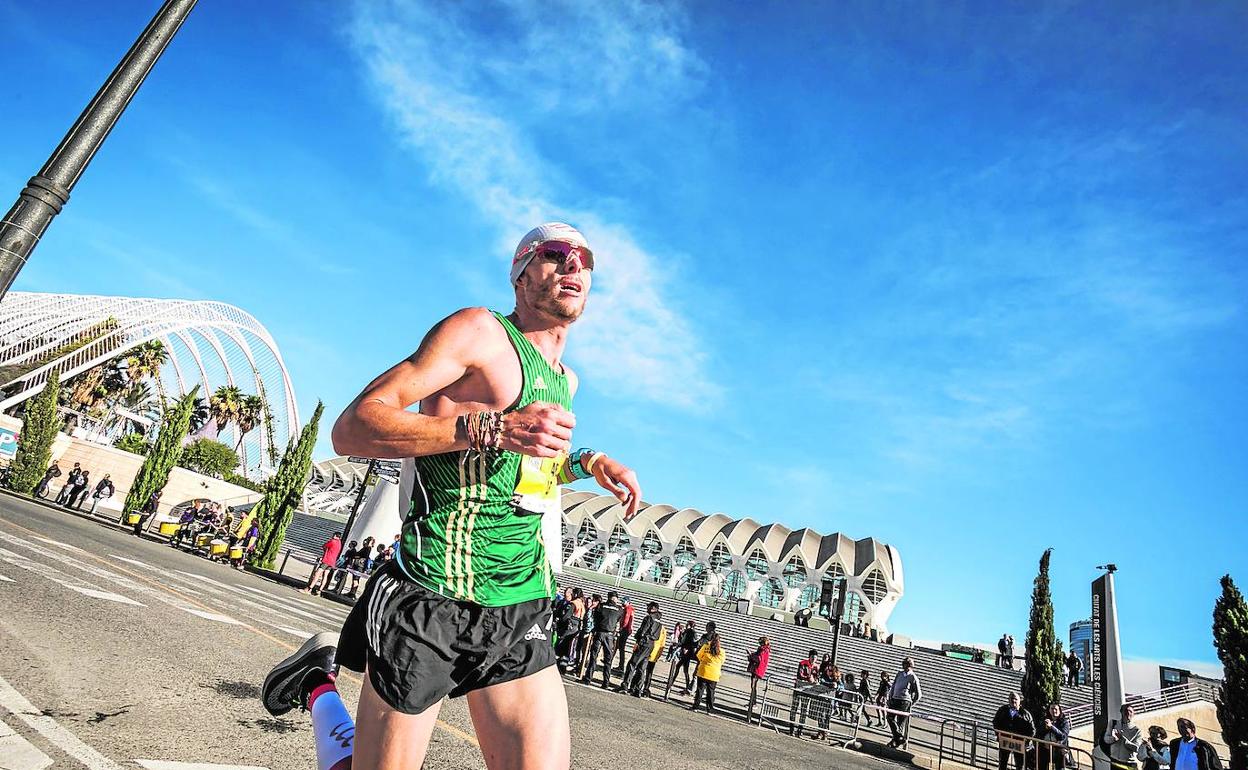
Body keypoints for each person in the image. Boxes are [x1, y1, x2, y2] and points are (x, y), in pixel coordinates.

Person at [259, 222, 642, 770]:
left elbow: (519, 472)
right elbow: (353, 428)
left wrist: (587, 463)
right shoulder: (479, 333)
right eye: (557, 255)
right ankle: (319, 685)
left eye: (585, 259)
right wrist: (490, 428)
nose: (574, 266)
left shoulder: (566, 379)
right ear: (521, 272)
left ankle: (321, 680)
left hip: (516, 595)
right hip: (431, 591)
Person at [581, 591, 624, 688]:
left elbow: (595, 618)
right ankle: (606, 682)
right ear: (616, 599)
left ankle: (588, 678)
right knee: (608, 660)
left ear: (608, 597)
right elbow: (617, 620)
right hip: (609, 635)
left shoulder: (601, 606)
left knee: (593, 656)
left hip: (599, 633)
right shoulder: (619, 609)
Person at [620, 602, 662, 696]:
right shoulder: (659, 621)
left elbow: (643, 631)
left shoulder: (649, 618)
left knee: (632, 664)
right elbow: (657, 636)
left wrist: (638, 642)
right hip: (651, 645)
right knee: (642, 668)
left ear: (653, 608)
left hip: (644, 642)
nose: (647, 608)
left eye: (649, 607)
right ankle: (637, 689)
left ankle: (625, 686)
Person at [994, 692, 1036, 770]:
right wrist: (998, 734)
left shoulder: (1026, 714)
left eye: (1016, 699)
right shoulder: (1002, 710)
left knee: (1020, 764)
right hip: (1005, 740)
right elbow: (995, 722)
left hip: (1019, 742)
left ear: (1020, 701)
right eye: (1011, 699)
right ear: (1008, 700)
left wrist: (1026, 741)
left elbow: (1032, 730)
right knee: (1002, 762)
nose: (1013, 701)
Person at [887, 657, 922, 749]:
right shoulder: (899, 674)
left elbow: (918, 694)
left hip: (904, 701)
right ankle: (899, 738)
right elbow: (894, 685)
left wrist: (911, 703)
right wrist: (890, 696)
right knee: (890, 717)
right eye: (904, 664)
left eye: (907, 664)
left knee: (900, 723)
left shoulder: (913, 677)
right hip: (894, 699)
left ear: (910, 666)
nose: (905, 666)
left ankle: (895, 742)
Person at [690, 625, 724, 714]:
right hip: (714, 673)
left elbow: (698, 656)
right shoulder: (721, 651)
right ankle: (710, 709)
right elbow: (722, 661)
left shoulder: (705, 647)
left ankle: (695, 706)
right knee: (711, 692)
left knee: (700, 690)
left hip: (703, 671)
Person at [788, 648, 820, 737]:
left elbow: (818, 677)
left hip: (807, 690)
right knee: (794, 708)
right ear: (809, 657)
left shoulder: (817, 667)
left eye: (815, 658)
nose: (813, 659)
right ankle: (791, 728)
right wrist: (808, 678)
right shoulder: (802, 663)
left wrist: (816, 680)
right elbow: (800, 674)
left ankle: (800, 729)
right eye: (812, 657)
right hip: (799, 688)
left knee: (804, 710)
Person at [1105, 704, 1143, 770]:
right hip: (1114, 760)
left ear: (1134, 714)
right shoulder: (1113, 723)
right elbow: (1106, 739)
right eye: (1125, 710)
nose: (1128, 713)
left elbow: (1137, 748)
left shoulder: (1136, 730)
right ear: (1121, 712)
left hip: (1129, 763)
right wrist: (1114, 739)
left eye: (1130, 711)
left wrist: (1123, 739)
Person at [1037, 702, 1071, 770]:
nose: (1054, 711)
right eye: (1052, 709)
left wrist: (1051, 727)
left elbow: (1063, 736)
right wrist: (1045, 728)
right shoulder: (1045, 720)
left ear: (1059, 711)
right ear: (1049, 710)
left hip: (1059, 750)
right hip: (1045, 749)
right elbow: (1038, 733)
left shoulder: (1064, 722)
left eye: (1056, 709)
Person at [745, 636, 770, 722]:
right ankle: (752, 701)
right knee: (753, 686)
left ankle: (753, 702)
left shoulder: (763, 650)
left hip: (757, 669)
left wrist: (750, 654)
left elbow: (758, 659)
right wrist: (751, 656)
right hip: (757, 669)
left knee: (753, 686)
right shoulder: (764, 649)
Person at [676, 621, 699, 694]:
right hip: (684, 651)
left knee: (683, 669)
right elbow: (683, 641)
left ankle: (686, 685)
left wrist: (687, 648)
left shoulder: (693, 633)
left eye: (687, 624)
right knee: (681, 668)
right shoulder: (686, 631)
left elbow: (693, 643)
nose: (686, 625)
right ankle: (685, 685)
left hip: (688, 653)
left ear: (690, 625)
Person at [615, 596, 634, 672]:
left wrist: (621, 628)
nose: (622, 603)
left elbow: (626, 619)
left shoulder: (628, 609)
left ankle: (621, 666)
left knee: (621, 647)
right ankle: (621, 665)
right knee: (620, 647)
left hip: (625, 630)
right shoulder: (629, 609)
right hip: (626, 630)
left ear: (628, 602)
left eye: (624, 601)